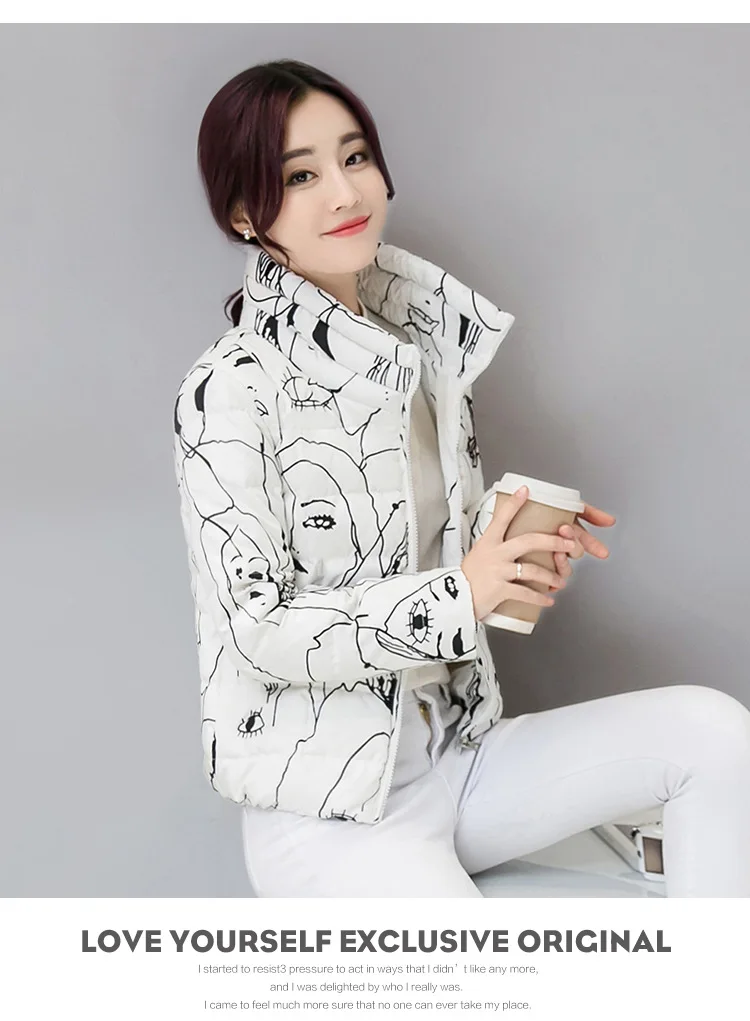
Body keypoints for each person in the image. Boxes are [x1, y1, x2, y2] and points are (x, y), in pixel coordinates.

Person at [172, 58, 750, 897]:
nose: (345, 192)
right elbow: (259, 628)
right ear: (241, 212)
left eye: (355, 156)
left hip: (460, 755)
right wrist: (461, 595)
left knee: (715, 734)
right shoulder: (228, 388)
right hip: (334, 813)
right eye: (301, 175)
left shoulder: (417, 349)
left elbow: (418, 549)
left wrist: (508, 541)